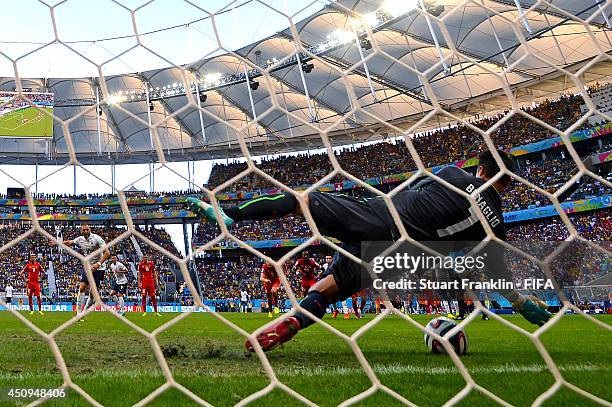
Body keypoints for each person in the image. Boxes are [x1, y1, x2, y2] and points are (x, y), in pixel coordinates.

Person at [187, 149, 552, 352]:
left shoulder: (454, 174)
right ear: (506, 182)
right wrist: (520, 302)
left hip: (381, 218)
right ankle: (297, 320)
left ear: (480, 167)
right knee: (330, 288)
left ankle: (229, 215)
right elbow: (493, 268)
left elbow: (413, 189)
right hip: (402, 257)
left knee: (301, 200)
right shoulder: (497, 224)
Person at [63, 224, 110, 319]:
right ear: (81, 231)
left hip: (99, 268)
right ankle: (78, 314)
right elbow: (70, 242)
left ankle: (83, 313)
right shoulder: (80, 239)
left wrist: (98, 264)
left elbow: (107, 253)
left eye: (87, 229)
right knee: (82, 287)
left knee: (92, 294)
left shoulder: (97, 239)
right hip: (88, 267)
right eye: (83, 230)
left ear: (90, 230)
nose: (85, 231)